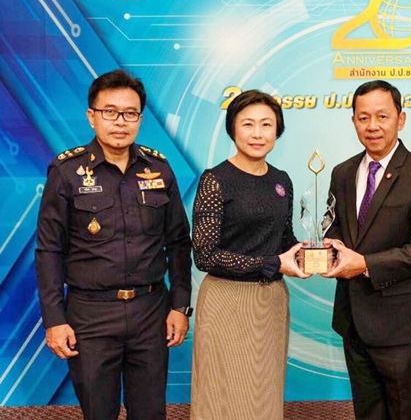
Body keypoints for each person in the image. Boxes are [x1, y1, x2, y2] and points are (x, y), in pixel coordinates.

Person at [34, 69, 193, 420]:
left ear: (140, 119)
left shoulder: (159, 169)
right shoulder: (66, 172)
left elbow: (179, 243)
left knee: (150, 413)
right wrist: (54, 319)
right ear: (92, 116)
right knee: (99, 413)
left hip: (151, 312)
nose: (120, 121)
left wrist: (180, 306)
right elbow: (49, 251)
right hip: (90, 315)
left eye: (130, 113)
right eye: (110, 111)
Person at [322, 80, 411, 420]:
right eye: (363, 118)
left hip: (401, 326)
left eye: (382, 116)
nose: (372, 126)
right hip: (353, 319)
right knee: (368, 412)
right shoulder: (342, 172)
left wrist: (364, 263)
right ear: (354, 121)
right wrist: (331, 246)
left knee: (405, 412)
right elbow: (334, 224)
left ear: (400, 119)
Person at [190, 89, 309, 420]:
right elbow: (205, 255)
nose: (258, 133)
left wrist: (306, 253)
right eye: (248, 124)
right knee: (221, 396)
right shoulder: (215, 180)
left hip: (271, 301)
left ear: (277, 130)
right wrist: (272, 263)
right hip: (226, 301)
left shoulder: (281, 180)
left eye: (266, 124)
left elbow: (283, 238)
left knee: (264, 393)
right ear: (233, 129)